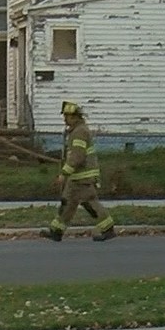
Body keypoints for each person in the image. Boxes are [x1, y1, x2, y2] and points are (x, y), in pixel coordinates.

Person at [42, 100, 117, 242]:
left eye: (67, 116)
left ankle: (108, 229)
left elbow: (77, 157)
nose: (65, 119)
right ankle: (56, 231)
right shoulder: (76, 131)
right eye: (64, 116)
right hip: (76, 177)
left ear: (76, 117)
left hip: (83, 177)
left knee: (90, 203)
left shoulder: (79, 132)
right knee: (68, 203)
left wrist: (64, 174)